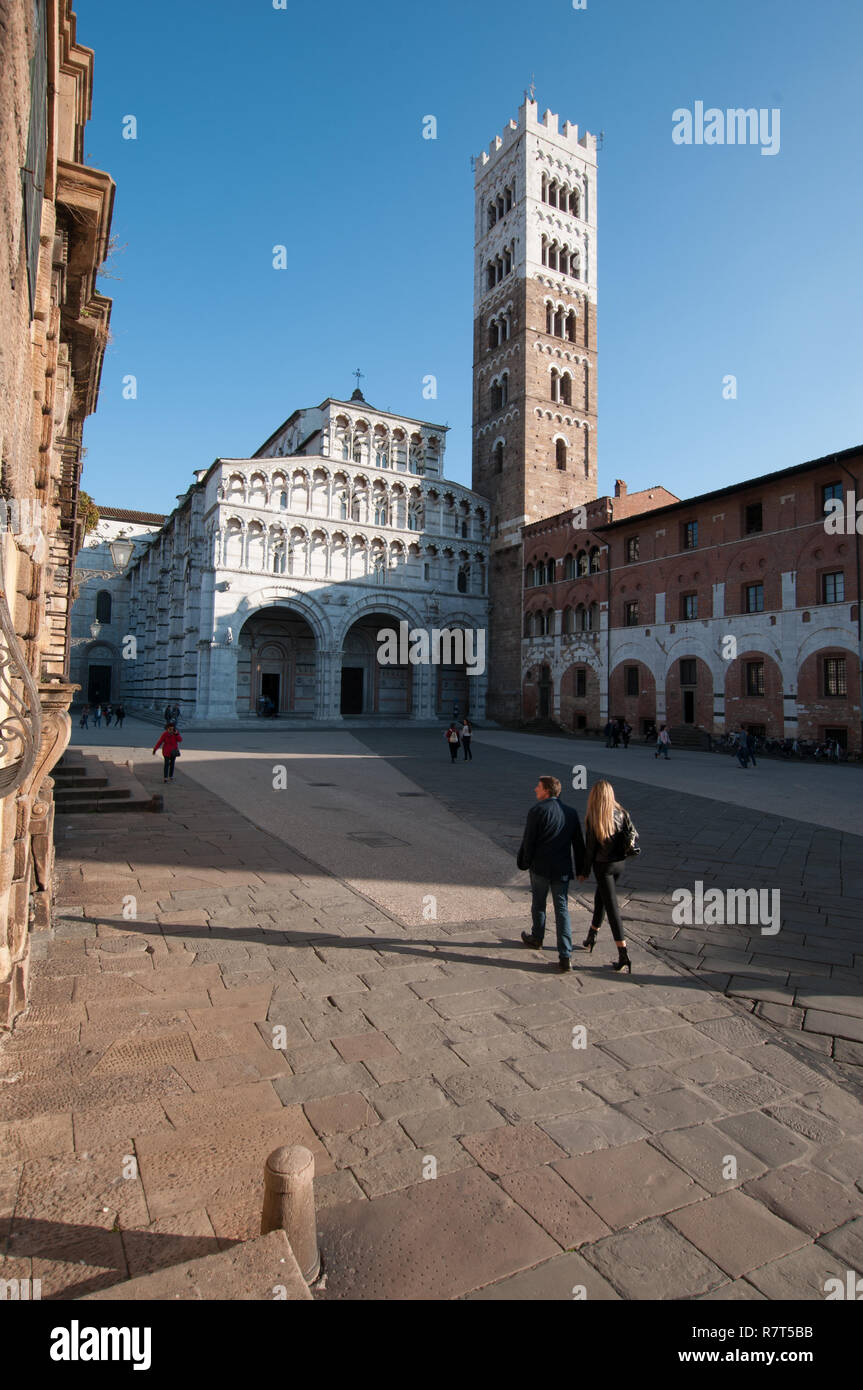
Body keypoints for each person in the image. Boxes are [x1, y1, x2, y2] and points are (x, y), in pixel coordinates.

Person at [518, 775, 587, 971]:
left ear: (547, 790)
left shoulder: (537, 810)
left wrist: (524, 862)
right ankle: (565, 955)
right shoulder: (571, 813)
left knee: (539, 904)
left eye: (538, 787)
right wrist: (581, 869)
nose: (535, 789)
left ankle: (537, 937)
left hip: (540, 867)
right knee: (562, 909)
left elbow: (528, 841)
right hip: (562, 869)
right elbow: (579, 844)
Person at [578, 780, 637, 974]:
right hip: (620, 864)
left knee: (612, 910)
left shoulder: (594, 818)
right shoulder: (622, 812)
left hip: (603, 867)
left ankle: (623, 954)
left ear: (594, 796)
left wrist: (584, 871)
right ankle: (591, 937)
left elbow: (589, 851)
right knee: (600, 899)